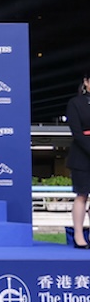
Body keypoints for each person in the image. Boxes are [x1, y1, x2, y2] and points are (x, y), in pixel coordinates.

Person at [66, 68, 90, 249]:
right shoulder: (75, 103)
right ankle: (79, 237)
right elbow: (76, 132)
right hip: (82, 156)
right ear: (86, 82)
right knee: (82, 195)